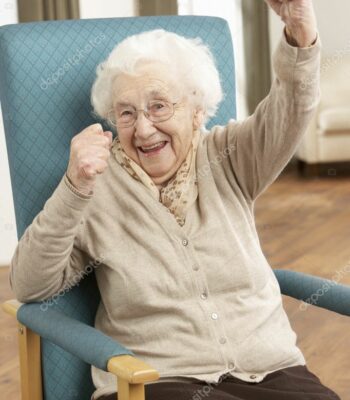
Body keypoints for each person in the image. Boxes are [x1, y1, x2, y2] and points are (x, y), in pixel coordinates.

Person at [9, 0, 341, 399]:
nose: (144, 128)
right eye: (126, 114)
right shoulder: (93, 188)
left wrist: (300, 35)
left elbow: (290, 110)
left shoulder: (232, 155)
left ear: (198, 110)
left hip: (270, 372)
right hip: (160, 382)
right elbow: (29, 284)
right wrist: (74, 187)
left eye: (159, 106)